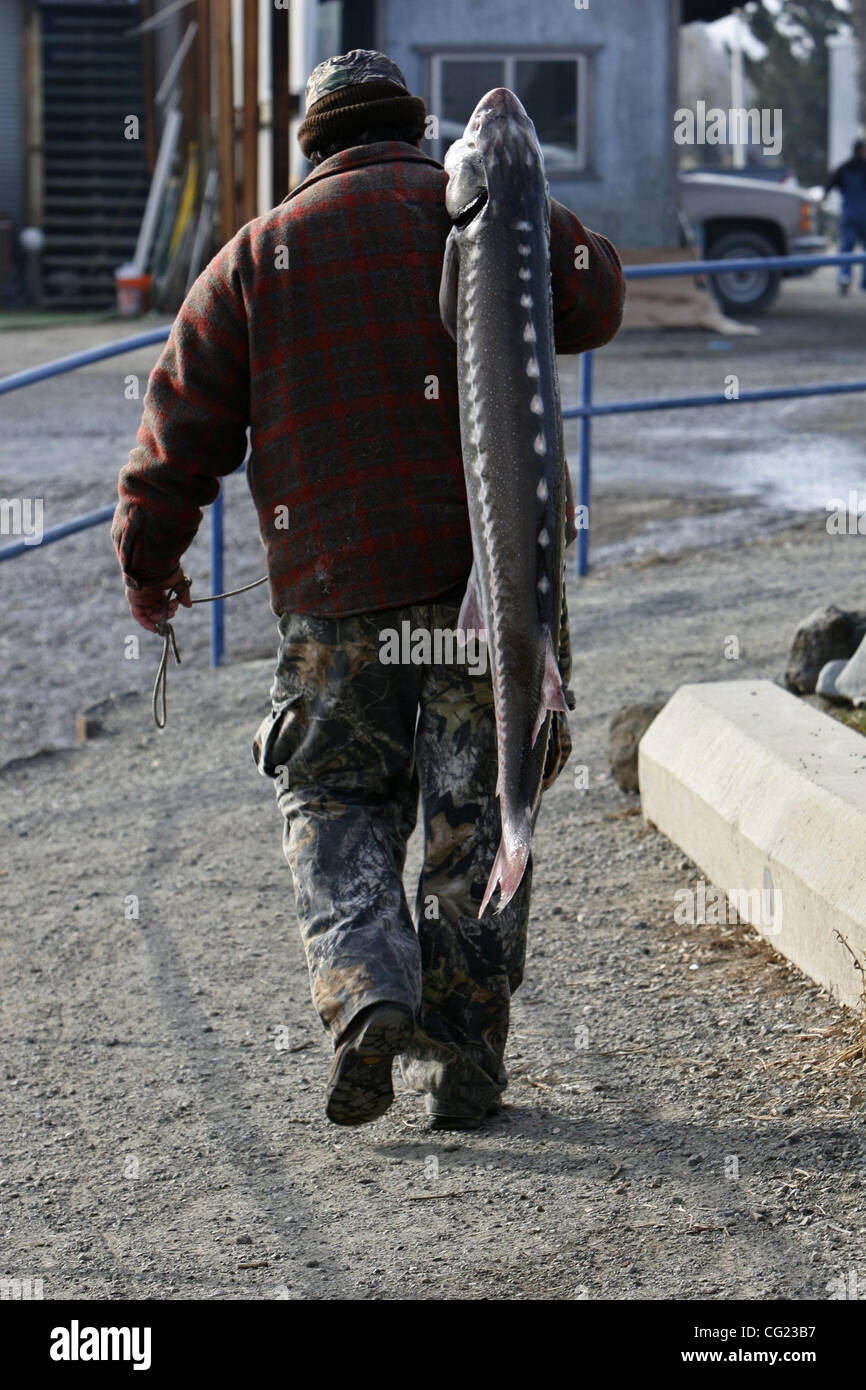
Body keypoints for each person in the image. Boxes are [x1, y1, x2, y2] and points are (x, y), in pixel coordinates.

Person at [113, 50, 624, 1131]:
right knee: (474, 824)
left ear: (308, 148)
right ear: (415, 125)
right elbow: (596, 300)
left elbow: (174, 437)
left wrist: (148, 564)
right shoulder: (475, 214)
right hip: (486, 596)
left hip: (333, 602)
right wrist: (532, 200)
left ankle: (365, 991)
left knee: (333, 799)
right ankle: (463, 1071)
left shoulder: (249, 262)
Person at [824, 138, 866, 296]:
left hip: (848, 213)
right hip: (865, 214)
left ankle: (844, 277)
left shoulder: (842, 168)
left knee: (846, 249)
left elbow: (828, 186)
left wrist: (822, 200)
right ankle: (864, 283)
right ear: (862, 151)